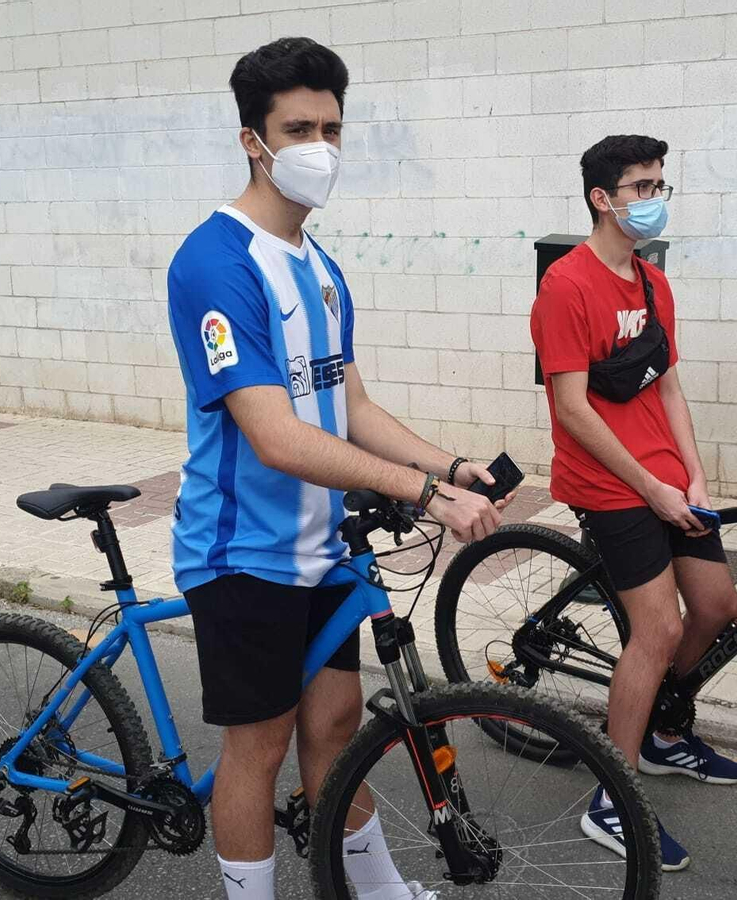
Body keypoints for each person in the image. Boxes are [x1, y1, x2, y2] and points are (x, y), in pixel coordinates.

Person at [164, 38, 511, 900]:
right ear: (254, 139)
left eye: (331, 127)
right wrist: (424, 494)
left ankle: (379, 890)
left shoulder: (319, 266)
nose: (320, 146)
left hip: (322, 544)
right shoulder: (216, 263)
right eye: (298, 128)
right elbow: (276, 436)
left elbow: (350, 404)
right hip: (244, 553)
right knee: (262, 743)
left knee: (337, 728)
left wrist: (452, 465)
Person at [529, 134, 737, 872]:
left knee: (717, 608)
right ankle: (612, 797)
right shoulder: (566, 285)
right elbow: (574, 408)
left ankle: (656, 734)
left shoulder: (654, 283)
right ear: (603, 197)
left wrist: (693, 477)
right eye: (643, 186)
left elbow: (669, 386)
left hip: (664, 479)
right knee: (656, 630)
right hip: (608, 485)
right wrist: (648, 487)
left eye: (661, 184)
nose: (655, 198)